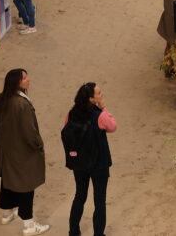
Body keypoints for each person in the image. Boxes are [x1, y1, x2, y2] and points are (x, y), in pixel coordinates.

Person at [0, 68, 50, 235]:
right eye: (25, 78)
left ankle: (7, 213)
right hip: (22, 152)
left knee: (8, 180)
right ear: (17, 83)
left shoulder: (2, 98)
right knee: (26, 186)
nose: (28, 80)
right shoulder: (22, 104)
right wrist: (39, 145)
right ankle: (29, 225)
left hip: (7, 150)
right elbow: (30, 132)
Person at [65, 82, 116, 236]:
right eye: (99, 93)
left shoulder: (71, 113)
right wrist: (104, 108)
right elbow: (112, 126)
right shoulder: (99, 116)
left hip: (79, 162)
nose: (102, 95)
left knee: (80, 195)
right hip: (98, 163)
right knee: (99, 200)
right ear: (92, 99)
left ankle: (74, 231)